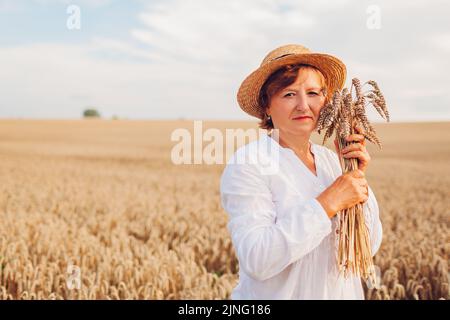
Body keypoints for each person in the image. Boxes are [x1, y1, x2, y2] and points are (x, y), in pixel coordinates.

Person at [220, 44, 383, 299]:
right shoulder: (249, 163)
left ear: (326, 102)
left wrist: (357, 178)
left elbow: (368, 248)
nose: (303, 105)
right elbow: (258, 259)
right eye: (289, 94)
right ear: (266, 106)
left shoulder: (332, 162)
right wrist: (327, 203)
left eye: (313, 93)